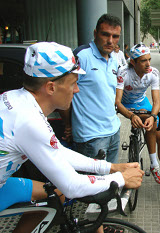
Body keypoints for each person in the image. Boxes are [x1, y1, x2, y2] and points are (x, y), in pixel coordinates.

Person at [0, 42, 144, 233]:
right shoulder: (28, 120)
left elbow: (57, 151)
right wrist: (121, 178)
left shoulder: (17, 99)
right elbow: (71, 186)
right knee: (60, 192)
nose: (77, 90)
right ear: (51, 87)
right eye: (73, 83)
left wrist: (110, 167)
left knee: (54, 196)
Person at [115, 43, 160, 190]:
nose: (148, 64)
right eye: (143, 61)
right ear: (133, 62)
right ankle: (154, 164)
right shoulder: (123, 72)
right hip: (126, 105)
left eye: (149, 59)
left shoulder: (153, 73)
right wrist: (131, 115)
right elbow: (117, 103)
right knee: (147, 119)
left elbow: (156, 102)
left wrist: (153, 116)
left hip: (142, 103)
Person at [62, 14, 122, 163]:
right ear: (95, 33)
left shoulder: (114, 59)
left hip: (113, 131)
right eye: (105, 34)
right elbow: (62, 91)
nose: (110, 41)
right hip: (91, 137)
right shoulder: (82, 56)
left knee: (110, 183)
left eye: (115, 36)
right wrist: (69, 125)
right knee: (96, 185)